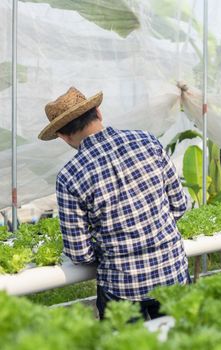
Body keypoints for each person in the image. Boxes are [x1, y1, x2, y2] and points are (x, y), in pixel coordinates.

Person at [38, 87, 190, 320]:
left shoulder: (69, 176)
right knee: (182, 342)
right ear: (98, 112)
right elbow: (179, 205)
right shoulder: (148, 142)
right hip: (172, 274)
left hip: (121, 286)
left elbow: (80, 253)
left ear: (62, 135)